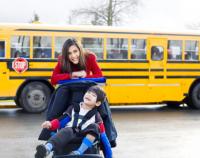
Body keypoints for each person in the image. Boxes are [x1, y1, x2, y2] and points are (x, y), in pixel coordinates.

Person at [35, 85, 112, 158]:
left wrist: (109, 156)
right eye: (88, 92)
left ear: (97, 103)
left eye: (93, 95)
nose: (89, 95)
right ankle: (47, 149)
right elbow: (61, 121)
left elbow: (104, 139)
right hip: (69, 134)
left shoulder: (96, 116)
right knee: (66, 130)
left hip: (85, 138)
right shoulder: (73, 108)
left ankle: (78, 152)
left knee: (95, 127)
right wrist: (50, 124)